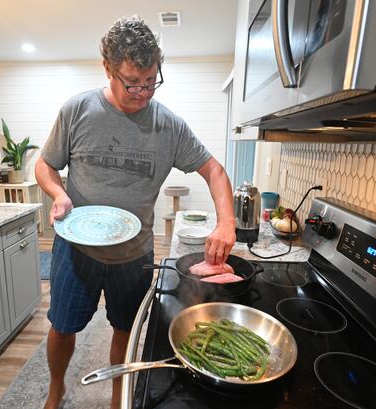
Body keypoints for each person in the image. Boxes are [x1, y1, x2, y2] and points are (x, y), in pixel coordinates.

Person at [35, 16, 236, 409]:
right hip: (76, 249)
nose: (143, 92)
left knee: (126, 330)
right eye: (132, 82)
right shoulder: (77, 110)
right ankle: (56, 387)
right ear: (107, 68)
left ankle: (118, 396)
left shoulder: (169, 126)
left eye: (151, 80)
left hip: (135, 252)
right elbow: (44, 164)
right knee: (62, 327)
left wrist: (226, 222)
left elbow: (214, 170)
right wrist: (58, 193)